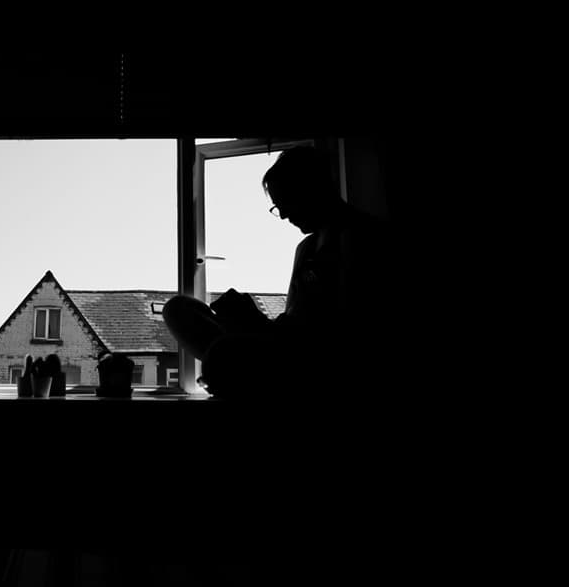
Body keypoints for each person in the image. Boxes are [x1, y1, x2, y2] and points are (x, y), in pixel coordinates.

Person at [162, 145, 397, 398]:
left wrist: (258, 325)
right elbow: (290, 325)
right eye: (277, 207)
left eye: (285, 202)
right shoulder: (306, 248)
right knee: (179, 309)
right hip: (285, 346)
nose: (283, 215)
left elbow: (344, 334)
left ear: (313, 189)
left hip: (317, 362)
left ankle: (235, 375)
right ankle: (231, 372)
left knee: (223, 353)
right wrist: (255, 321)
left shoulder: (365, 238)